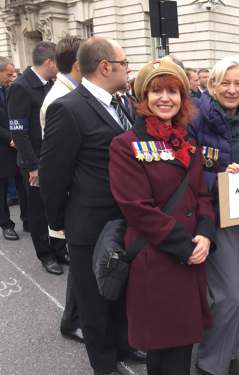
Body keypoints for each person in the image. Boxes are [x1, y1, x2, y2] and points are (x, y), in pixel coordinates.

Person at [40, 37, 142, 375]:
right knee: (94, 301)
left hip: (123, 221)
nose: (129, 69)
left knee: (121, 291)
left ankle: (124, 345)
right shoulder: (67, 108)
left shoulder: (120, 103)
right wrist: (59, 225)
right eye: (125, 62)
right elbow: (53, 175)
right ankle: (104, 364)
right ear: (105, 66)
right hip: (89, 225)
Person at [109, 58, 215, 375]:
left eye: (173, 90)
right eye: (156, 91)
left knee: (181, 348)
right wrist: (186, 246)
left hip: (190, 258)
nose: (165, 98)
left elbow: (202, 197)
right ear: (143, 98)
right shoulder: (125, 145)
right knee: (162, 351)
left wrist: (206, 235)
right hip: (156, 259)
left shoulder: (187, 143)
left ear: (184, 98)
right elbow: (136, 207)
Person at [189, 57, 239, 375]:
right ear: (212, 85)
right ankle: (209, 365)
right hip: (217, 217)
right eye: (225, 83)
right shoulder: (195, 119)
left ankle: (226, 355)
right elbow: (185, 176)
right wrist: (220, 178)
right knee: (229, 297)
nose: (233, 90)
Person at [39, 35, 85, 344]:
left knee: (84, 268)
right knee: (82, 268)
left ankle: (73, 319)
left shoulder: (70, 92)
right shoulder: (60, 99)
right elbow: (56, 165)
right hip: (74, 196)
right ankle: (71, 321)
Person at [7, 41, 67, 275]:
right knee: (39, 212)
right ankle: (46, 254)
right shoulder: (21, 87)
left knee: (57, 206)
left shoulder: (50, 84)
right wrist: (33, 167)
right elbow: (18, 131)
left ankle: (60, 248)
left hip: (52, 158)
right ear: (49, 62)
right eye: (57, 63)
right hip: (34, 163)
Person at [0, 57, 27, 241]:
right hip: (3, 147)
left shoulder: (13, 89)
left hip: (19, 144)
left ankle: (28, 220)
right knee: (1, 189)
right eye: (9, 74)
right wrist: (10, 139)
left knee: (23, 185)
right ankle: (6, 224)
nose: (13, 77)